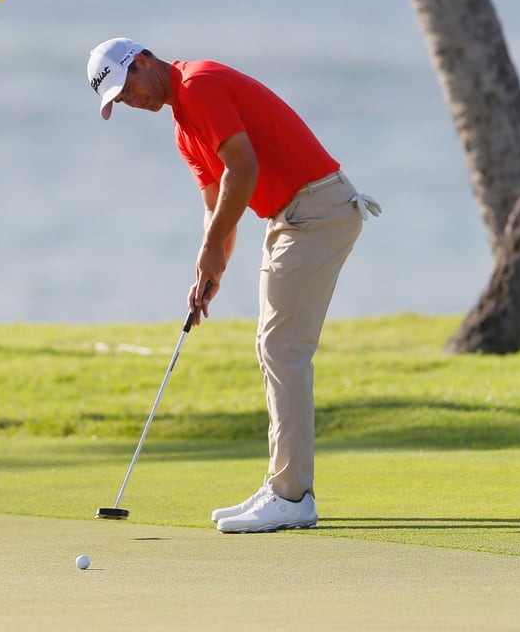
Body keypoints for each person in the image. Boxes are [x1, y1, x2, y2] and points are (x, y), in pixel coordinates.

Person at [85, 37, 381, 533]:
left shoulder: (199, 85)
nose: (130, 102)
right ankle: (282, 485)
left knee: (281, 346)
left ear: (140, 62)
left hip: (319, 210)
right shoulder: (183, 129)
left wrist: (212, 248)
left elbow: (244, 169)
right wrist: (210, 267)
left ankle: (292, 496)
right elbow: (217, 204)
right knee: (273, 348)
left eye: (126, 88)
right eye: (119, 100)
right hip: (290, 217)